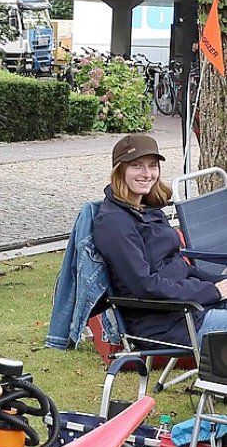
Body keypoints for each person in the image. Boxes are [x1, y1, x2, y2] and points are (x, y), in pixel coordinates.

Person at [92, 133, 227, 348]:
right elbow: (145, 286)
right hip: (166, 323)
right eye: (137, 166)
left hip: (191, 307)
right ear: (120, 170)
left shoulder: (149, 210)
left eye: (152, 166)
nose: (147, 174)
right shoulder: (114, 223)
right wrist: (213, 292)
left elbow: (183, 268)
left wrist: (218, 282)